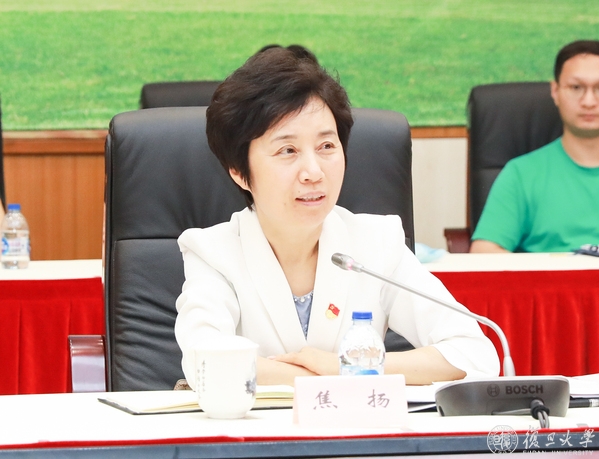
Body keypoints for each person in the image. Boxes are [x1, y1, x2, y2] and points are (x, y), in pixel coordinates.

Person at [174, 47, 499, 388]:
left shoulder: (377, 243)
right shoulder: (213, 252)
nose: (314, 172)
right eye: (288, 150)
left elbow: (475, 355)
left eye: (327, 146)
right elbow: (206, 365)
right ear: (239, 172)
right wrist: (348, 376)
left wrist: (343, 367)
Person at [471, 40, 599, 253]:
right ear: (555, 91)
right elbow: (484, 253)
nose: (589, 101)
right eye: (576, 88)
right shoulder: (521, 174)